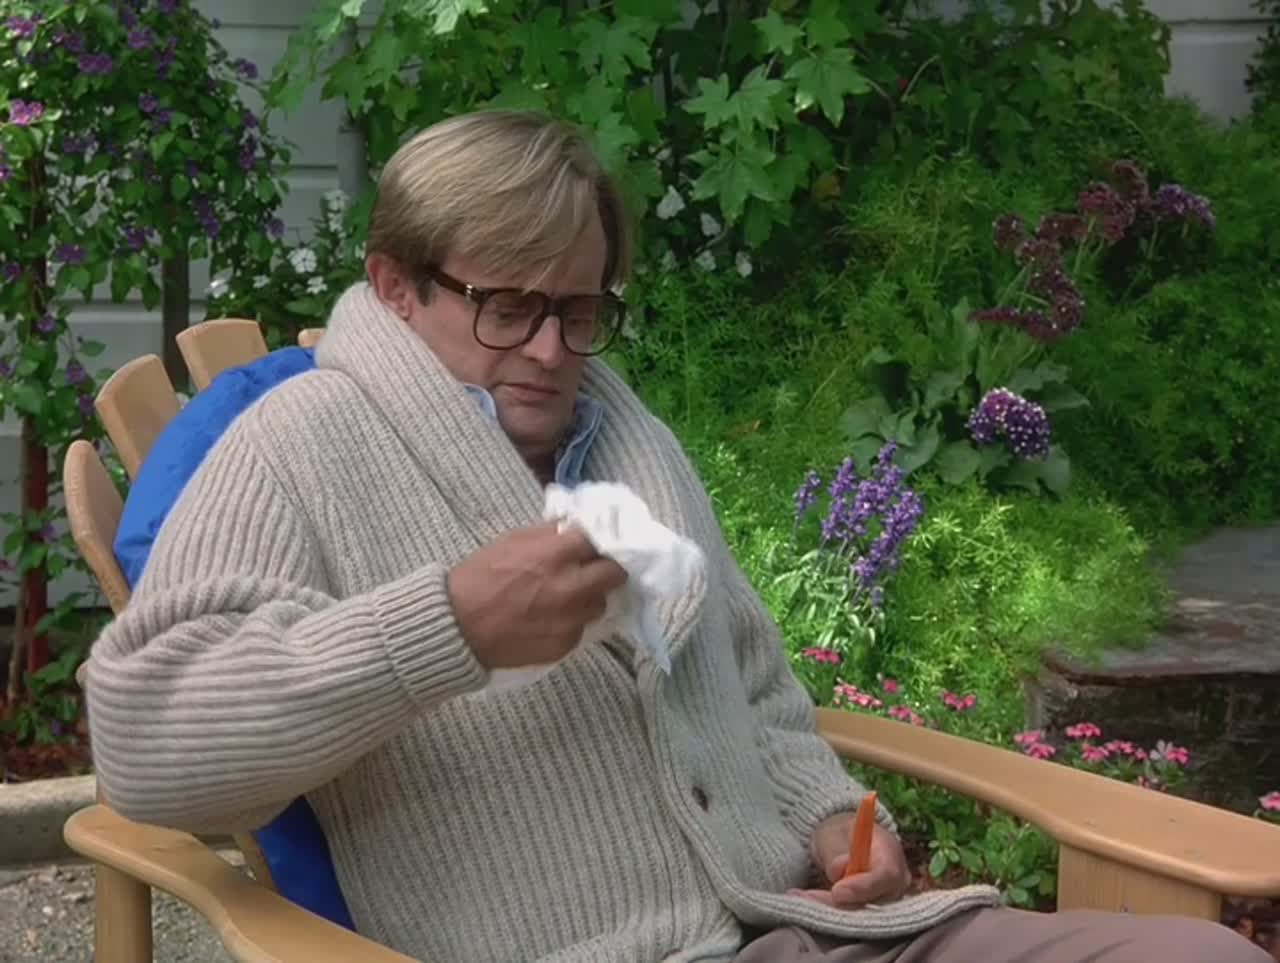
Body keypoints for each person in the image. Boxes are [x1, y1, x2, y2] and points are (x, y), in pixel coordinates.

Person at [85, 110, 1267, 963]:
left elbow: (751, 685)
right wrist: (444, 627)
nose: (550, 352)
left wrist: (831, 824)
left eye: (579, 309)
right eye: (508, 307)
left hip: (802, 928)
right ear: (397, 287)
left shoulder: (624, 441)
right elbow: (145, 747)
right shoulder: (298, 446)